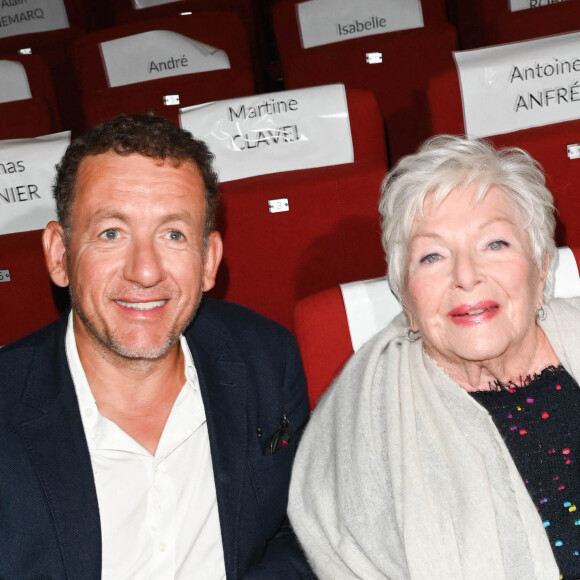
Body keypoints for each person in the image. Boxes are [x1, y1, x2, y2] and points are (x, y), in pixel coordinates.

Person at [0, 114, 312, 579]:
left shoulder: (265, 358)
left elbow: (301, 529)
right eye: (111, 233)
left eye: (173, 234)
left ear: (208, 261)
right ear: (59, 255)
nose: (144, 271)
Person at [289, 135, 580, 579]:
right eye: (432, 256)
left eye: (495, 244)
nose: (466, 276)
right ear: (405, 295)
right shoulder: (365, 418)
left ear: (541, 267)